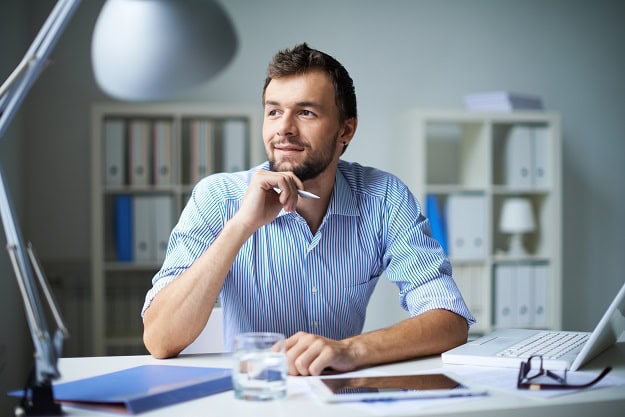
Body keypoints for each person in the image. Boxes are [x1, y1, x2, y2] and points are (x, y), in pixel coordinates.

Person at [142, 43, 475, 376]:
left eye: (306, 112)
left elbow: (449, 319)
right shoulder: (218, 197)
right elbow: (160, 339)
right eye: (273, 111)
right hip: (254, 395)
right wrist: (241, 225)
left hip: (339, 394)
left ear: (345, 130)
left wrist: (350, 349)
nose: (284, 127)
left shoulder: (384, 198)